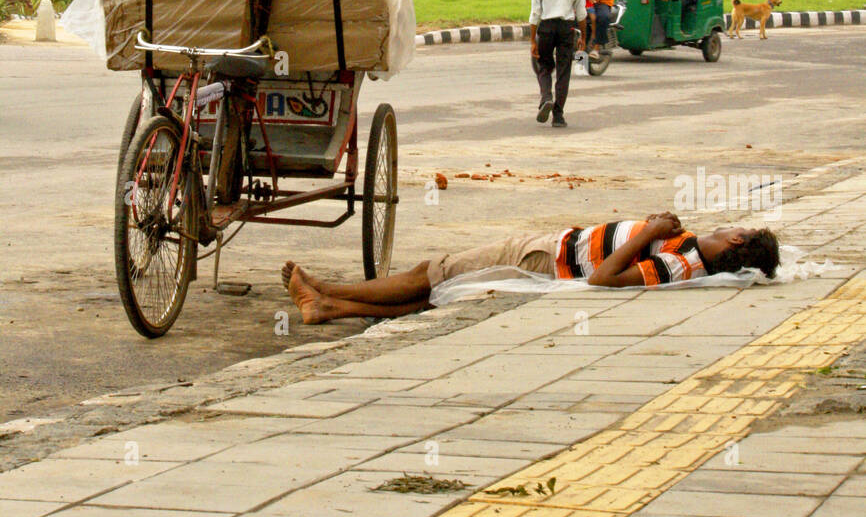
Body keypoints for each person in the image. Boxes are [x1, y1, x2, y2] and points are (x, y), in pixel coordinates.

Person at [280, 214, 781, 323]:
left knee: (432, 272)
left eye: (736, 227)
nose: (727, 226)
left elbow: (603, 279)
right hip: (550, 256)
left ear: (736, 240)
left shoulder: (681, 262)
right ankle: (330, 307)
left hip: (546, 258)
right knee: (441, 292)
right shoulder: (690, 255)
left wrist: (649, 231)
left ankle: (328, 288)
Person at [529, 0, 587, 128]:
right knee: (563, 70)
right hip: (566, 29)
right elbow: (581, 15)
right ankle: (558, 115)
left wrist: (532, 40)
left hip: (546, 27)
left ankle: (546, 97)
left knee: (544, 65)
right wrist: (583, 37)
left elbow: (535, 15)